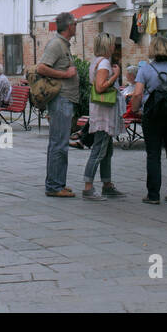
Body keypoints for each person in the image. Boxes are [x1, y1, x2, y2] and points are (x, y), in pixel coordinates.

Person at [129, 35, 167, 204]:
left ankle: (153, 195)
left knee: (153, 155)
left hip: (153, 117)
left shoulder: (146, 70)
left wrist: (135, 109)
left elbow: (138, 93)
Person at [37, 11, 79, 198]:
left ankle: (57, 182)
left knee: (60, 143)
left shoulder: (63, 45)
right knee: (59, 144)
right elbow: (41, 67)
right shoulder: (56, 45)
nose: (76, 27)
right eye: (75, 24)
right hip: (61, 99)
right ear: (69, 26)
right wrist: (66, 75)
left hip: (65, 99)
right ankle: (54, 186)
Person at [82, 33, 126, 200]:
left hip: (102, 110)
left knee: (106, 150)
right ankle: (88, 186)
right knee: (99, 149)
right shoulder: (105, 63)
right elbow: (100, 87)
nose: (114, 47)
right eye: (113, 44)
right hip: (104, 112)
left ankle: (107, 184)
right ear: (108, 46)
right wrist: (115, 75)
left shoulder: (96, 62)